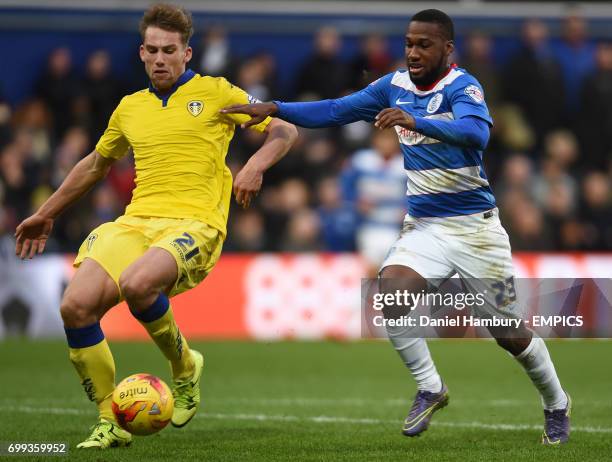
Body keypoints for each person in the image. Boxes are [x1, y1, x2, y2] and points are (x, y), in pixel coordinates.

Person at [222, 9, 570, 445]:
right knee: (391, 294)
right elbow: (335, 109)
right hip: (425, 226)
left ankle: (556, 403)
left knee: (508, 333)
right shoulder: (393, 86)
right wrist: (276, 107)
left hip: (475, 231)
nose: (413, 52)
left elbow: (476, 134)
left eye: (424, 44)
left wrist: (415, 122)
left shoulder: (463, 87)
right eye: (408, 43)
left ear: (448, 49)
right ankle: (430, 387)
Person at [14, 3, 297, 450]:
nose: (160, 58)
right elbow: (94, 165)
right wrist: (46, 212)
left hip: (195, 223)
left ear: (188, 53)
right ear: (141, 53)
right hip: (137, 222)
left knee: (138, 283)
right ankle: (110, 420)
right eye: (152, 50)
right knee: (75, 306)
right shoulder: (130, 108)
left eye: (170, 49)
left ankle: (185, 368)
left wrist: (254, 166)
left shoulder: (219, 92)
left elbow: (284, 131)